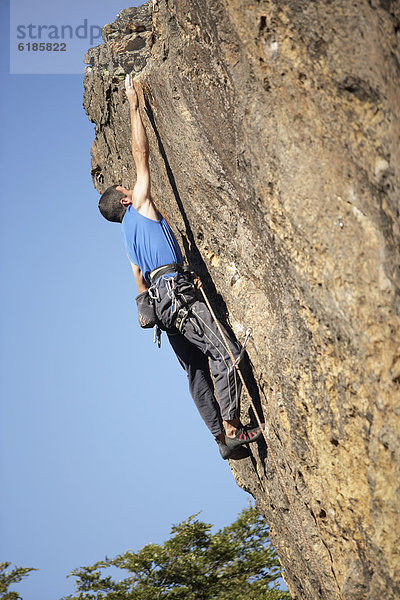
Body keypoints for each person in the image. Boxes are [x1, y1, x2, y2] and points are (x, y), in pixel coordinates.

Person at [98, 74, 263, 459]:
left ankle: (219, 439)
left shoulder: (128, 242)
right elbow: (142, 155)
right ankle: (232, 427)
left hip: (164, 307)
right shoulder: (139, 208)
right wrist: (135, 106)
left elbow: (138, 281)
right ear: (125, 201)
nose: (132, 187)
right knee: (227, 354)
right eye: (127, 189)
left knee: (195, 370)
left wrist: (149, 306)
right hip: (179, 294)